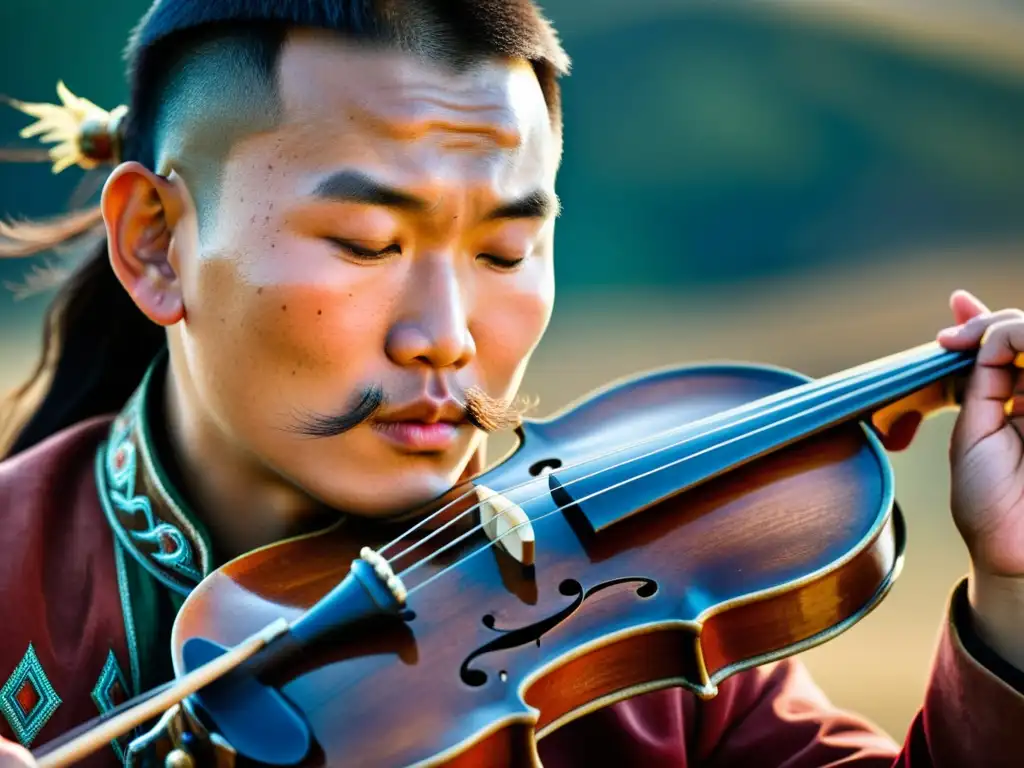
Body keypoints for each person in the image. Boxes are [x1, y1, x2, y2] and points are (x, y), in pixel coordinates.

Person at [0, 1, 1022, 765]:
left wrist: (1014, 600)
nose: (445, 339)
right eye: (365, 243)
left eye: (502, 252)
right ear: (156, 245)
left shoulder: (633, 621)